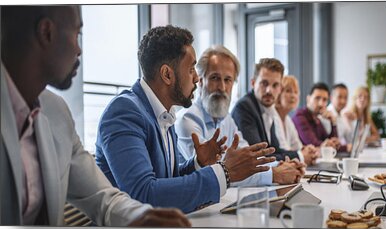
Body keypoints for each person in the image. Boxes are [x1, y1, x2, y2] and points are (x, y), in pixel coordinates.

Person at [0, 5, 190, 227]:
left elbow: (102, 198)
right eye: (77, 34)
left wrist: (139, 217)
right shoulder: (126, 111)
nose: (79, 50)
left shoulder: (56, 112)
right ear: (46, 32)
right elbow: (144, 189)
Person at [95, 26, 276, 214]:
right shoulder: (124, 112)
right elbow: (143, 195)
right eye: (191, 69)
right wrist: (224, 172)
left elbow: (167, 180)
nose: (197, 78)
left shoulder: (164, 113)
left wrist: (197, 163)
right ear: (167, 74)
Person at [175, 46, 304, 186]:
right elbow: (215, 173)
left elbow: (248, 157)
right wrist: (275, 174)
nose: (222, 87)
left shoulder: (226, 118)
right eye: (215, 78)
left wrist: (284, 165)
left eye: (228, 80)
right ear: (200, 81)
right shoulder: (187, 120)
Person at [231, 58, 318, 165]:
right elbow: (259, 156)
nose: (269, 90)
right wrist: (300, 156)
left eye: (275, 85)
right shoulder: (245, 107)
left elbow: (275, 150)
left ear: (280, 88)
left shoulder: (269, 109)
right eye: (264, 83)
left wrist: (301, 153)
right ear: (253, 83)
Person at [292, 82, 345, 151]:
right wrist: (345, 147)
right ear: (308, 99)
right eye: (317, 98)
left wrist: (333, 123)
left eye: (324, 100)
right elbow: (313, 143)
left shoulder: (317, 119)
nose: (321, 104)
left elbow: (331, 142)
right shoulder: (300, 117)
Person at [274, 75, 304, 151]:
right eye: (288, 91)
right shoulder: (272, 117)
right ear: (278, 93)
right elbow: (282, 150)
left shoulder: (288, 120)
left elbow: (297, 146)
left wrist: (309, 150)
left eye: (296, 92)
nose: (293, 96)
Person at [327, 83, 353, 150]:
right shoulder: (327, 115)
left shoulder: (342, 115)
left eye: (345, 97)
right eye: (339, 97)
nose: (343, 101)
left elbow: (350, 139)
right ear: (331, 97)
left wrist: (350, 122)